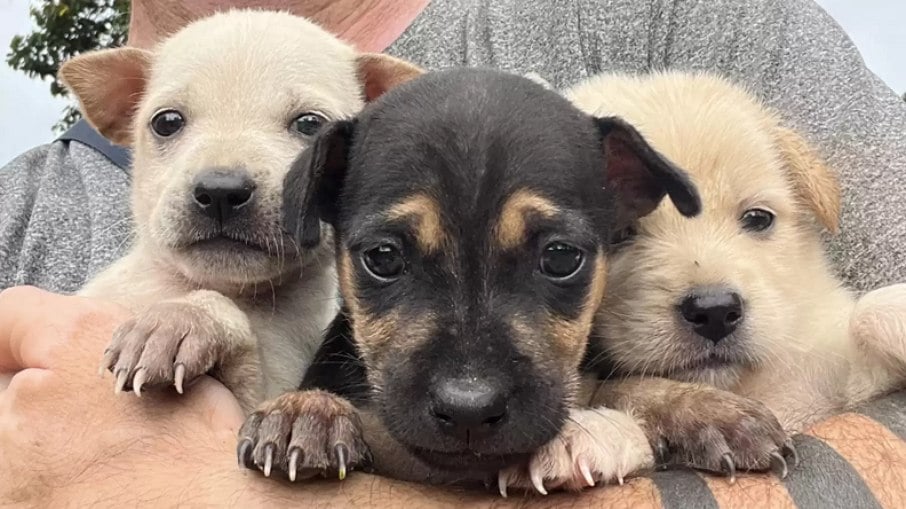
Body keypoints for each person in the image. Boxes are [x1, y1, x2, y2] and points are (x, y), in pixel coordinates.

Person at [2, 0, 906, 506]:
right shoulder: (26, 201)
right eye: (387, 259)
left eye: (304, 122)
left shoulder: (669, 29)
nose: (228, 179)